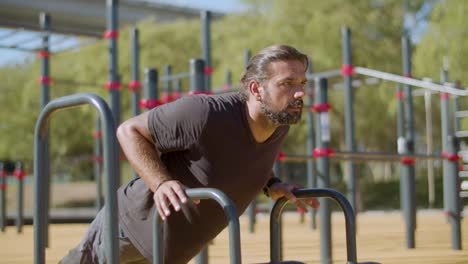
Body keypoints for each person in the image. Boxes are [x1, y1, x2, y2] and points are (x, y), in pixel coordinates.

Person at [60, 44, 319, 264]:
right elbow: (129, 131)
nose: (299, 93)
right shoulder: (205, 113)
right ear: (255, 89)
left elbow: (246, 158)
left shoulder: (279, 124)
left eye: (302, 83)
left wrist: (272, 184)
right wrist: (161, 183)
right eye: (287, 83)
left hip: (172, 251)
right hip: (130, 229)